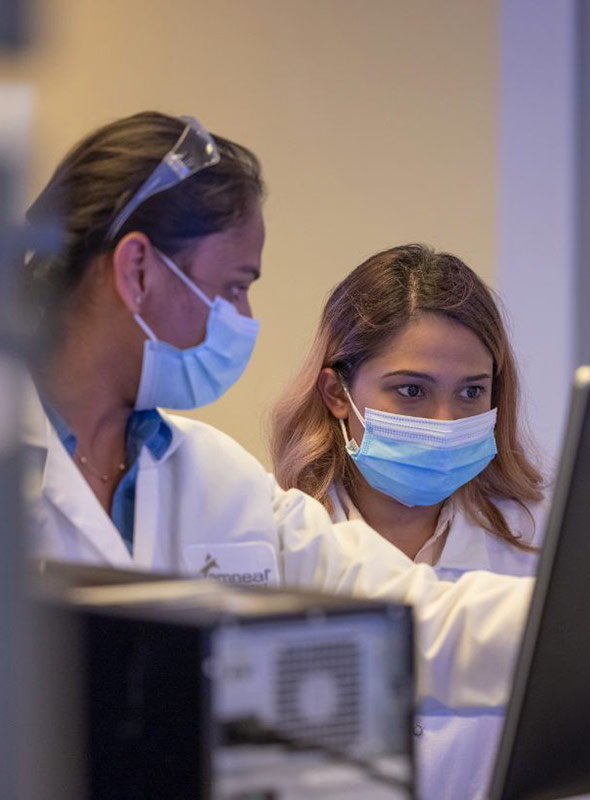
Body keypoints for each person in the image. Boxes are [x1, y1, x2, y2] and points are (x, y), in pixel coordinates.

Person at [20, 110, 534, 712]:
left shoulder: (213, 475)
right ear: (137, 271)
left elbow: (410, 614)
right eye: (235, 286)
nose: (244, 318)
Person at [269, 243, 548, 800]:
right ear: (337, 393)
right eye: (412, 391)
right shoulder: (275, 542)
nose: (445, 421)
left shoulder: (542, 537)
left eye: (471, 391)